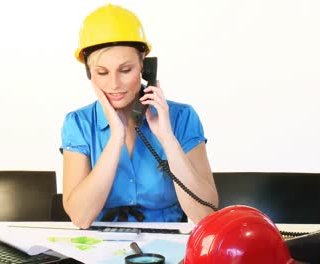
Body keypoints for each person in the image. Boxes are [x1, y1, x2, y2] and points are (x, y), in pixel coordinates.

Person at [60, 3, 218, 229]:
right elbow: (81, 217)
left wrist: (167, 138)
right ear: (88, 72)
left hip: (169, 248)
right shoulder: (78, 123)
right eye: (102, 73)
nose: (114, 84)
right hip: (100, 250)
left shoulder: (182, 117)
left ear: (144, 65)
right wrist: (116, 137)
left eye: (125, 70)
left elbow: (206, 214)